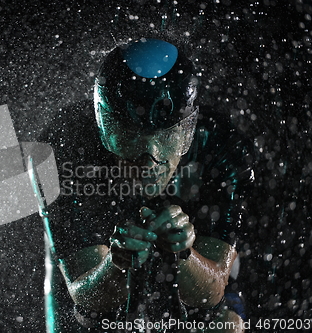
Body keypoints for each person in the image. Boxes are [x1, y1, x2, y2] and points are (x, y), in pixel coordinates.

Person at [42, 38, 254, 332]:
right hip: (92, 288)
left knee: (227, 325)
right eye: (129, 138)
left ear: (188, 132)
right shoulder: (67, 145)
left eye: (166, 137)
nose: (150, 162)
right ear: (104, 126)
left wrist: (185, 254)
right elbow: (88, 298)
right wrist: (117, 265)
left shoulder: (222, 147)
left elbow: (211, 292)